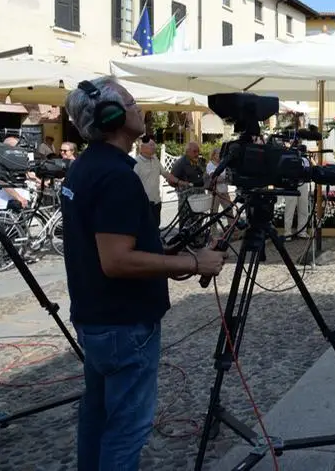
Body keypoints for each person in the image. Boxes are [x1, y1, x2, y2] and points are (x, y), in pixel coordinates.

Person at [61, 77, 224, 470]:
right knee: (126, 429)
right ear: (112, 116)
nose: (141, 110)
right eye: (132, 104)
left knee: (98, 418)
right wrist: (192, 263)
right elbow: (116, 260)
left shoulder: (86, 167)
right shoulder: (117, 176)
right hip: (124, 325)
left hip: (97, 320)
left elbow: (102, 244)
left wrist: (161, 253)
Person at [134, 137, 187, 228]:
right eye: (151, 145)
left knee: (156, 227)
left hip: (157, 202)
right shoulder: (136, 163)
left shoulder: (155, 159)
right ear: (142, 147)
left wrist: (180, 182)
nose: (154, 147)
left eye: (154, 145)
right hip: (144, 203)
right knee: (145, 229)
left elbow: (165, 173)